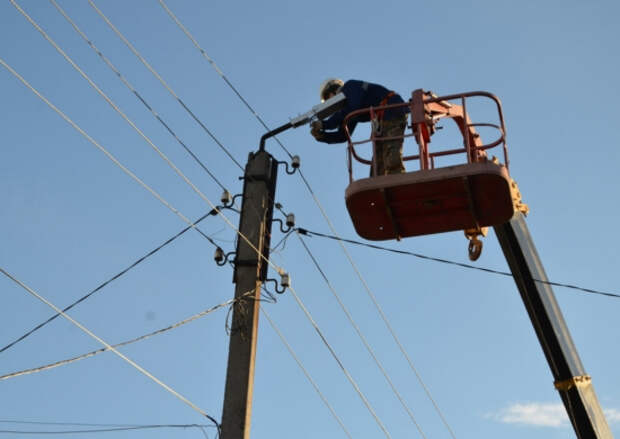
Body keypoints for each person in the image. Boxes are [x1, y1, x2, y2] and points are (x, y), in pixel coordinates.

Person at [310, 78, 408, 176]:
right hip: (382, 119)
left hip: (392, 109)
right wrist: (322, 136)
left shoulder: (349, 87)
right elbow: (343, 135)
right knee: (377, 167)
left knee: (391, 154)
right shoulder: (348, 109)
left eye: (328, 100)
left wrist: (324, 124)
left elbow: (352, 109)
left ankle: (398, 177)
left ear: (332, 92)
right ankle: (375, 185)